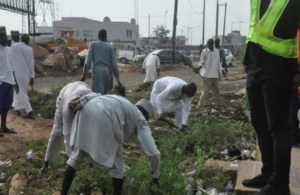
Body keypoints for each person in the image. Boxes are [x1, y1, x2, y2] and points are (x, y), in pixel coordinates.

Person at [242, 1, 300, 195]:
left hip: (280, 67)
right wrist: (247, 61)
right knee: (259, 122)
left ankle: (280, 183)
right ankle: (268, 174)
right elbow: (255, 28)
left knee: (278, 126)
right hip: (254, 65)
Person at [57, 94, 160, 195]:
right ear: (146, 116)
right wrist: (155, 177)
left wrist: (82, 101)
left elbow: (98, 95)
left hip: (86, 109)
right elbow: (153, 153)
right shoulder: (140, 118)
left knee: (76, 158)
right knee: (118, 169)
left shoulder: (122, 101)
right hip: (107, 117)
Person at [40, 81, 92, 173]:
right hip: (65, 95)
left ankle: (87, 161)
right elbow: (67, 136)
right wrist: (73, 165)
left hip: (81, 87)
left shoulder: (92, 102)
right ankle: (47, 164)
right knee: (57, 131)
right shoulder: (68, 108)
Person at [80, 29, 122, 94]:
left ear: (98, 36)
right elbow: (114, 65)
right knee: (105, 94)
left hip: (96, 70)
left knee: (96, 94)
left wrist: (84, 76)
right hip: (107, 71)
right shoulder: (110, 47)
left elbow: (88, 61)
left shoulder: (92, 45)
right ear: (106, 37)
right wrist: (118, 81)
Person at [194, 39, 225, 108]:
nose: (208, 46)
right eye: (207, 44)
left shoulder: (217, 51)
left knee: (217, 91)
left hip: (216, 75)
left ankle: (218, 105)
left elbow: (218, 63)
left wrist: (222, 70)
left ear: (213, 44)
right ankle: (199, 106)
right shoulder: (204, 52)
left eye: (210, 44)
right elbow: (201, 62)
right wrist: (198, 68)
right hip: (207, 75)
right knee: (205, 92)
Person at [0, 26, 19, 136]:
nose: (3, 37)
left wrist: (15, 81)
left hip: (9, 81)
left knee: (6, 106)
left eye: (4, 35)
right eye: (1, 35)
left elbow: (11, 66)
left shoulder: (8, 49)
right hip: (1, 82)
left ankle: (3, 127)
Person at [11, 34, 35, 119]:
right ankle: (16, 107)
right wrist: (32, 77)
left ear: (21, 39)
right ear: (27, 41)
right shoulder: (30, 49)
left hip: (17, 71)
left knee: (20, 91)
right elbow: (31, 63)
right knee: (20, 91)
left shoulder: (14, 46)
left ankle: (30, 110)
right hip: (27, 73)